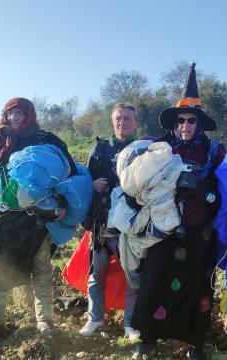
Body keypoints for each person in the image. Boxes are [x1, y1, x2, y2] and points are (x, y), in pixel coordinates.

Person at [131, 63, 226, 360]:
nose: (186, 125)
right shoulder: (159, 149)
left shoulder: (213, 152)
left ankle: (195, 342)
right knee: (155, 280)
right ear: (174, 123)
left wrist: (205, 194)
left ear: (199, 124)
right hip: (164, 231)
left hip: (201, 233)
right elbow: (139, 184)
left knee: (199, 286)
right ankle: (147, 339)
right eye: (181, 120)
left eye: (191, 121)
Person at [0, 97, 78, 348]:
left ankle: (45, 323)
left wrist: (62, 205)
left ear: (29, 115)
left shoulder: (46, 140)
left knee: (41, 270)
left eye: (20, 113)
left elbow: (68, 173)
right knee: (1, 272)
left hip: (37, 218)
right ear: (4, 116)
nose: (15, 118)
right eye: (10, 113)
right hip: (4, 218)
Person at [80, 103, 141, 339]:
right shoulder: (100, 148)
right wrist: (92, 185)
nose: (122, 122)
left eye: (127, 119)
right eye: (118, 118)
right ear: (112, 121)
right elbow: (85, 179)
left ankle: (130, 324)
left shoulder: (142, 151)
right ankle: (94, 319)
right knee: (97, 274)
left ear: (135, 123)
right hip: (102, 224)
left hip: (131, 227)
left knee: (133, 276)